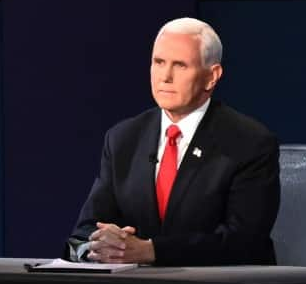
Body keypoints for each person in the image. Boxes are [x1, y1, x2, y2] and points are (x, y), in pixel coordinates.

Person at [66, 18, 280, 266]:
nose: (165, 77)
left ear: (212, 76)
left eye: (180, 66)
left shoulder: (249, 143)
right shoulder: (123, 139)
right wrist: (98, 246)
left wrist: (151, 251)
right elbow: (82, 234)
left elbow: (245, 242)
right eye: (158, 63)